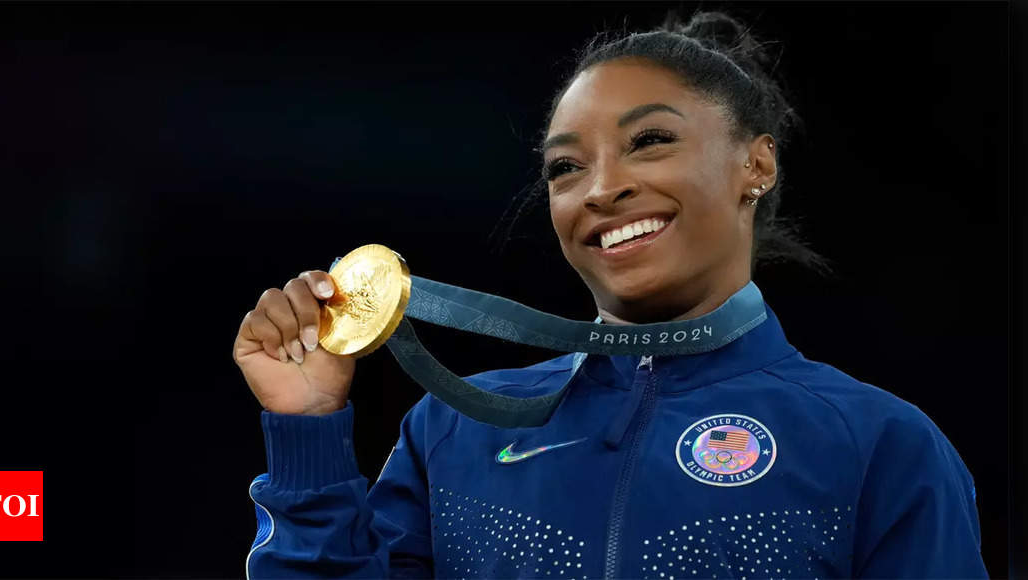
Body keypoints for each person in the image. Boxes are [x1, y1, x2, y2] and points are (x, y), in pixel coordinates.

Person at [232, 10, 987, 579]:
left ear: (755, 164)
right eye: (565, 168)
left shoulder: (878, 443)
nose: (602, 189)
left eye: (649, 141)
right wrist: (308, 432)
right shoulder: (451, 431)